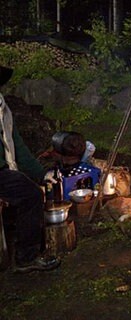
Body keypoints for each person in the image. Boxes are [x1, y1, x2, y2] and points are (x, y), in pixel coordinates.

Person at [0, 65, 60, 273]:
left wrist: (43, 173)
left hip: (3, 171)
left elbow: (19, 148)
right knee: (31, 195)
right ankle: (27, 257)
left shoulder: (3, 111)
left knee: (32, 189)